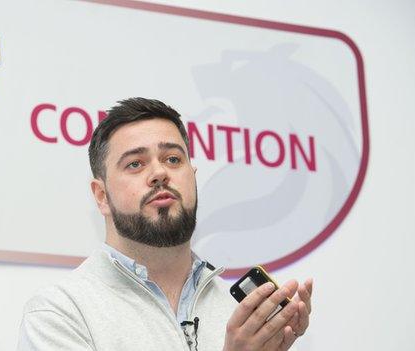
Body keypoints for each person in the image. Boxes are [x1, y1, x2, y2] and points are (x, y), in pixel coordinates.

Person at [17, 97, 313, 351]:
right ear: (101, 195)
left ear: (193, 176)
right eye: (135, 164)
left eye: (172, 159)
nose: (159, 172)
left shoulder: (242, 314)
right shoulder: (61, 312)